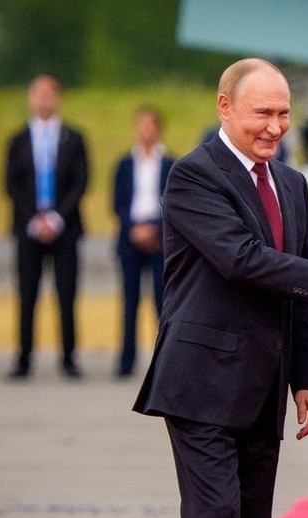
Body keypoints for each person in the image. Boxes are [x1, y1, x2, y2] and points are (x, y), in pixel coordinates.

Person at [132, 58, 308, 518]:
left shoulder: (290, 182)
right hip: (201, 384)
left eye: (283, 113)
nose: (275, 126)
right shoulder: (193, 175)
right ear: (225, 107)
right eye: (262, 113)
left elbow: (297, 289)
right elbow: (241, 260)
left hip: (263, 388)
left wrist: (306, 378)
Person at [4, 74, 89, 380]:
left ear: (58, 98)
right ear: (30, 98)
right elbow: (11, 183)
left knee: (66, 295)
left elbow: (80, 181)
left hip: (64, 227)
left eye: (49, 93)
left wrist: (55, 218)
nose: (43, 99)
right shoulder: (18, 140)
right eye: (38, 93)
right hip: (29, 227)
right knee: (27, 295)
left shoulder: (73, 138)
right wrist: (34, 217)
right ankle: (24, 358)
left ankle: (68, 358)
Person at [112, 105, 172, 379]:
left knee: (163, 303)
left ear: (159, 129)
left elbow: (172, 202)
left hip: (159, 241)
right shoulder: (124, 164)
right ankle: (126, 360)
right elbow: (118, 202)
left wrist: (155, 229)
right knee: (129, 302)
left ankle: (165, 362)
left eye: (150, 125)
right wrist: (134, 228)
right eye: (141, 125)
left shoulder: (170, 164)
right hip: (130, 238)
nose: (145, 131)